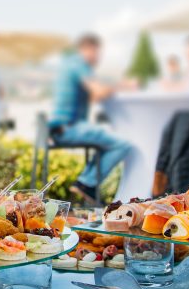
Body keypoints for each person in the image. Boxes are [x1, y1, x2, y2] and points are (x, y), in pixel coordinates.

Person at [49, 33, 132, 204]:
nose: (97, 57)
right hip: (68, 128)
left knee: (106, 142)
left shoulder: (69, 65)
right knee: (122, 144)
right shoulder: (79, 64)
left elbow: (92, 96)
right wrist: (122, 85)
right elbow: (98, 92)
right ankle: (86, 183)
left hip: (59, 128)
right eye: (96, 52)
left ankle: (86, 182)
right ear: (86, 49)